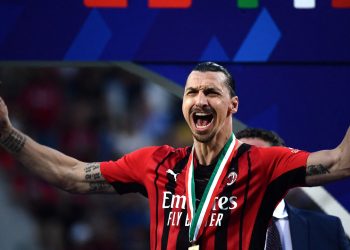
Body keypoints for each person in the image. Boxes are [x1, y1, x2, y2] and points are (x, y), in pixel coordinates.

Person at [0, 62, 349, 250]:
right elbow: (73, 175)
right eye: (191, 92)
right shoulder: (156, 163)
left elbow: (340, 162)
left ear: (233, 106)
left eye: (211, 92)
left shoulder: (263, 162)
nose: (199, 99)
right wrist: (9, 135)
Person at [236, 128, 350, 250]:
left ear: (285, 169)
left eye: (262, 163)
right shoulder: (216, 226)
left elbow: (341, 162)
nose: (248, 171)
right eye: (239, 162)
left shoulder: (328, 229)